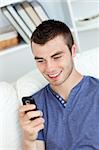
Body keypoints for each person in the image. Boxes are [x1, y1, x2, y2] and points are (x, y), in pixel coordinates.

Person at [19, 19, 99, 150]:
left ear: (73, 51)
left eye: (56, 57)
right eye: (41, 60)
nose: (49, 68)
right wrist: (29, 139)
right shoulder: (36, 105)